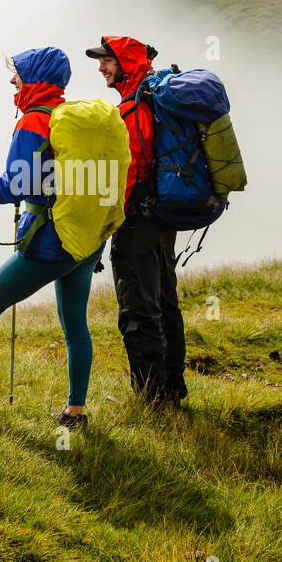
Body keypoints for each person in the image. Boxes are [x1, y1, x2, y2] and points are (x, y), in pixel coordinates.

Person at [0, 47, 102, 429]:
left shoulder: (33, 121)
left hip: (52, 240)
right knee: (76, 323)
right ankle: (74, 412)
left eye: (19, 74)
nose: (13, 80)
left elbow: (16, 186)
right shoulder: (70, 117)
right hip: (86, 237)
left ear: (37, 78)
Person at [87, 36, 187, 407]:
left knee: (138, 309)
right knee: (164, 301)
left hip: (137, 223)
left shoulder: (132, 110)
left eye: (107, 61)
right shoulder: (150, 101)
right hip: (161, 219)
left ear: (125, 63)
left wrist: (105, 226)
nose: (101, 68)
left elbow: (130, 174)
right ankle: (172, 388)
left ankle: (152, 397)